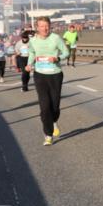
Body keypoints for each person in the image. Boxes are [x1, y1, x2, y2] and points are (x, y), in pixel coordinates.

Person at [26, 17, 70, 145]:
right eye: (41, 26)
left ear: (50, 26)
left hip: (55, 75)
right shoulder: (33, 41)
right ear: (37, 27)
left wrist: (57, 58)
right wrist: (29, 64)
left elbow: (66, 52)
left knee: (55, 106)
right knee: (44, 106)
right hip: (40, 75)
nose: (44, 28)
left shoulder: (55, 38)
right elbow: (32, 53)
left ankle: (54, 120)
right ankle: (48, 134)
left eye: (47, 26)